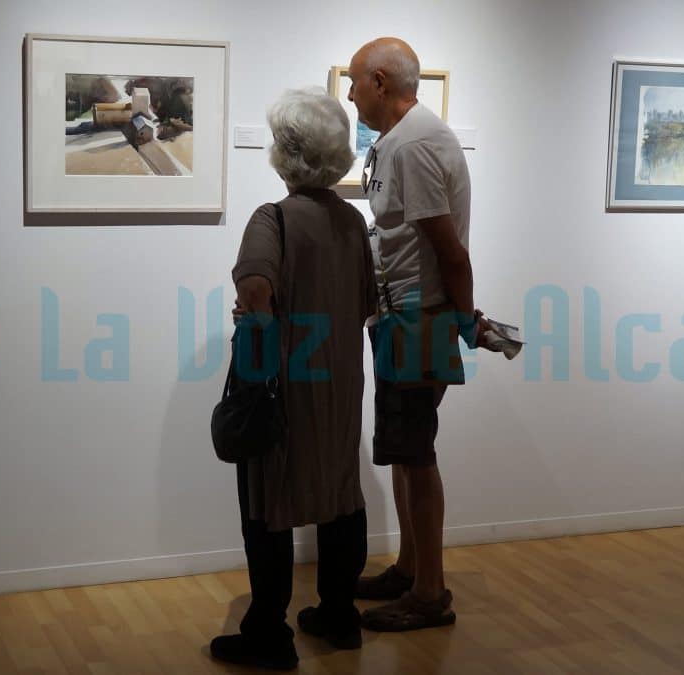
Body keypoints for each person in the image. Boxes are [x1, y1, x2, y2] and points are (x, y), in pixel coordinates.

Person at [210, 88, 377, 671]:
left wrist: (258, 324)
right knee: (340, 496)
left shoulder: (273, 218)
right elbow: (364, 302)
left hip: (283, 383)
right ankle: (338, 616)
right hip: (339, 383)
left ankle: (268, 634)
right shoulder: (353, 221)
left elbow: (254, 288)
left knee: (266, 503)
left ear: (286, 152)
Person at [347, 37, 488, 632]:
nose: (351, 94)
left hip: (419, 319)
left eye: (356, 83)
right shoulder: (399, 143)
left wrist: (465, 318)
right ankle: (409, 569)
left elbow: (450, 252)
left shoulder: (417, 145)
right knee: (405, 453)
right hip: (402, 318)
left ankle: (430, 593)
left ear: (380, 83)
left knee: (417, 454)